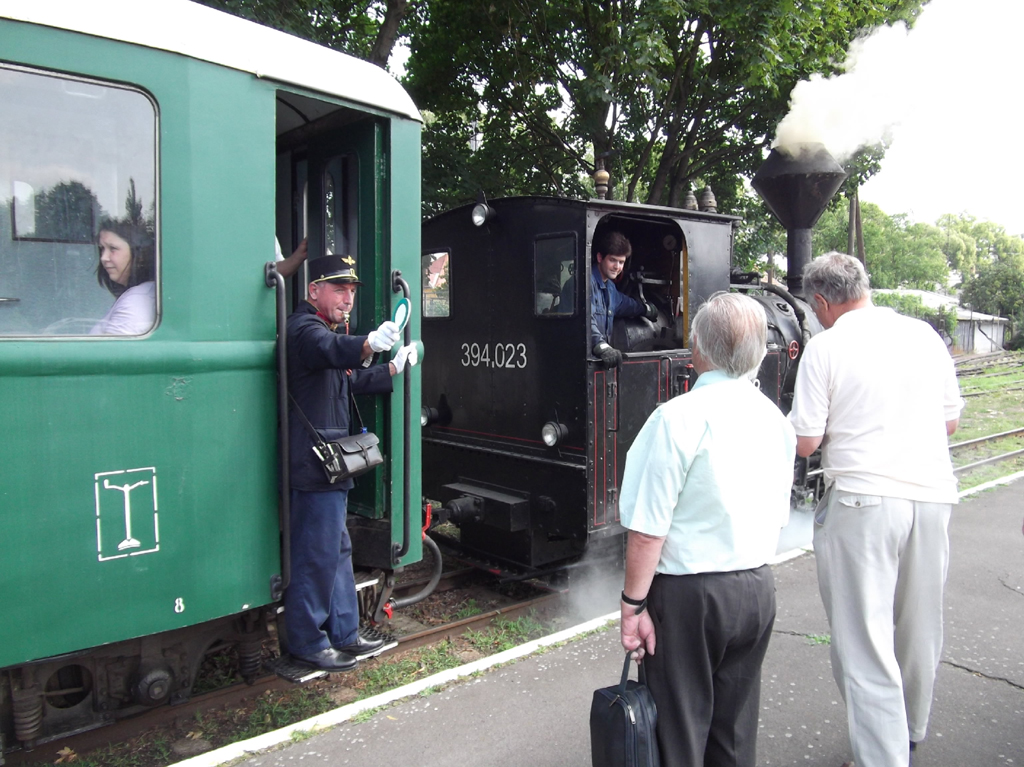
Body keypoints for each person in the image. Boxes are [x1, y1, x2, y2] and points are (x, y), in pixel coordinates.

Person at [788, 252, 963, 767]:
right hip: (932, 497)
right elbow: (949, 423)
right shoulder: (924, 335)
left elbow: (806, 441)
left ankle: (883, 759)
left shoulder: (826, 347)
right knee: (918, 624)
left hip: (863, 501)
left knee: (863, 640)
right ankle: (909, 731)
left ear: (822, 301)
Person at [619, 292, 796, 767]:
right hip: (757, 586)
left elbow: (647, 531)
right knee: (734, 732)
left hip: (689, 596)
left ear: (696, 349)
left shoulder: (676, 418)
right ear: (759, 352)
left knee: (679, 731)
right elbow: (779, 511)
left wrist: (632, 607)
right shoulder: (776, 420)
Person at [285, 254, 419, 672]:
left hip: (330, 465)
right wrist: (366, 343)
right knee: (317, 553)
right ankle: (306, 640)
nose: (347, 299)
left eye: (351, 292)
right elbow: (333, 351)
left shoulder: (321, 331)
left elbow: (347, 379)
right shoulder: (304, 330)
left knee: (337, 549)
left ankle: (344, 632)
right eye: (339, 290)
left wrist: (392, 367)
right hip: (315, 465)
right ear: (314, 291)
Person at [589, 230, 656, 367]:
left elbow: (625, 304)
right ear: (600, 257)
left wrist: (644, 309)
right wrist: (601, 346)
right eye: (613, 260)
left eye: (621, 262)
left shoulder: (610, 288)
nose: (617, 267)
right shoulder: (586, 283)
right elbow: (585, 321)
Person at [90, 218, 156, 335]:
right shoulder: (144, 293)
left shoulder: (136, 299)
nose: (104, 258)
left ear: (139, 254)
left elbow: (111, 351)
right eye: (102, 249)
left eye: (113, 248)